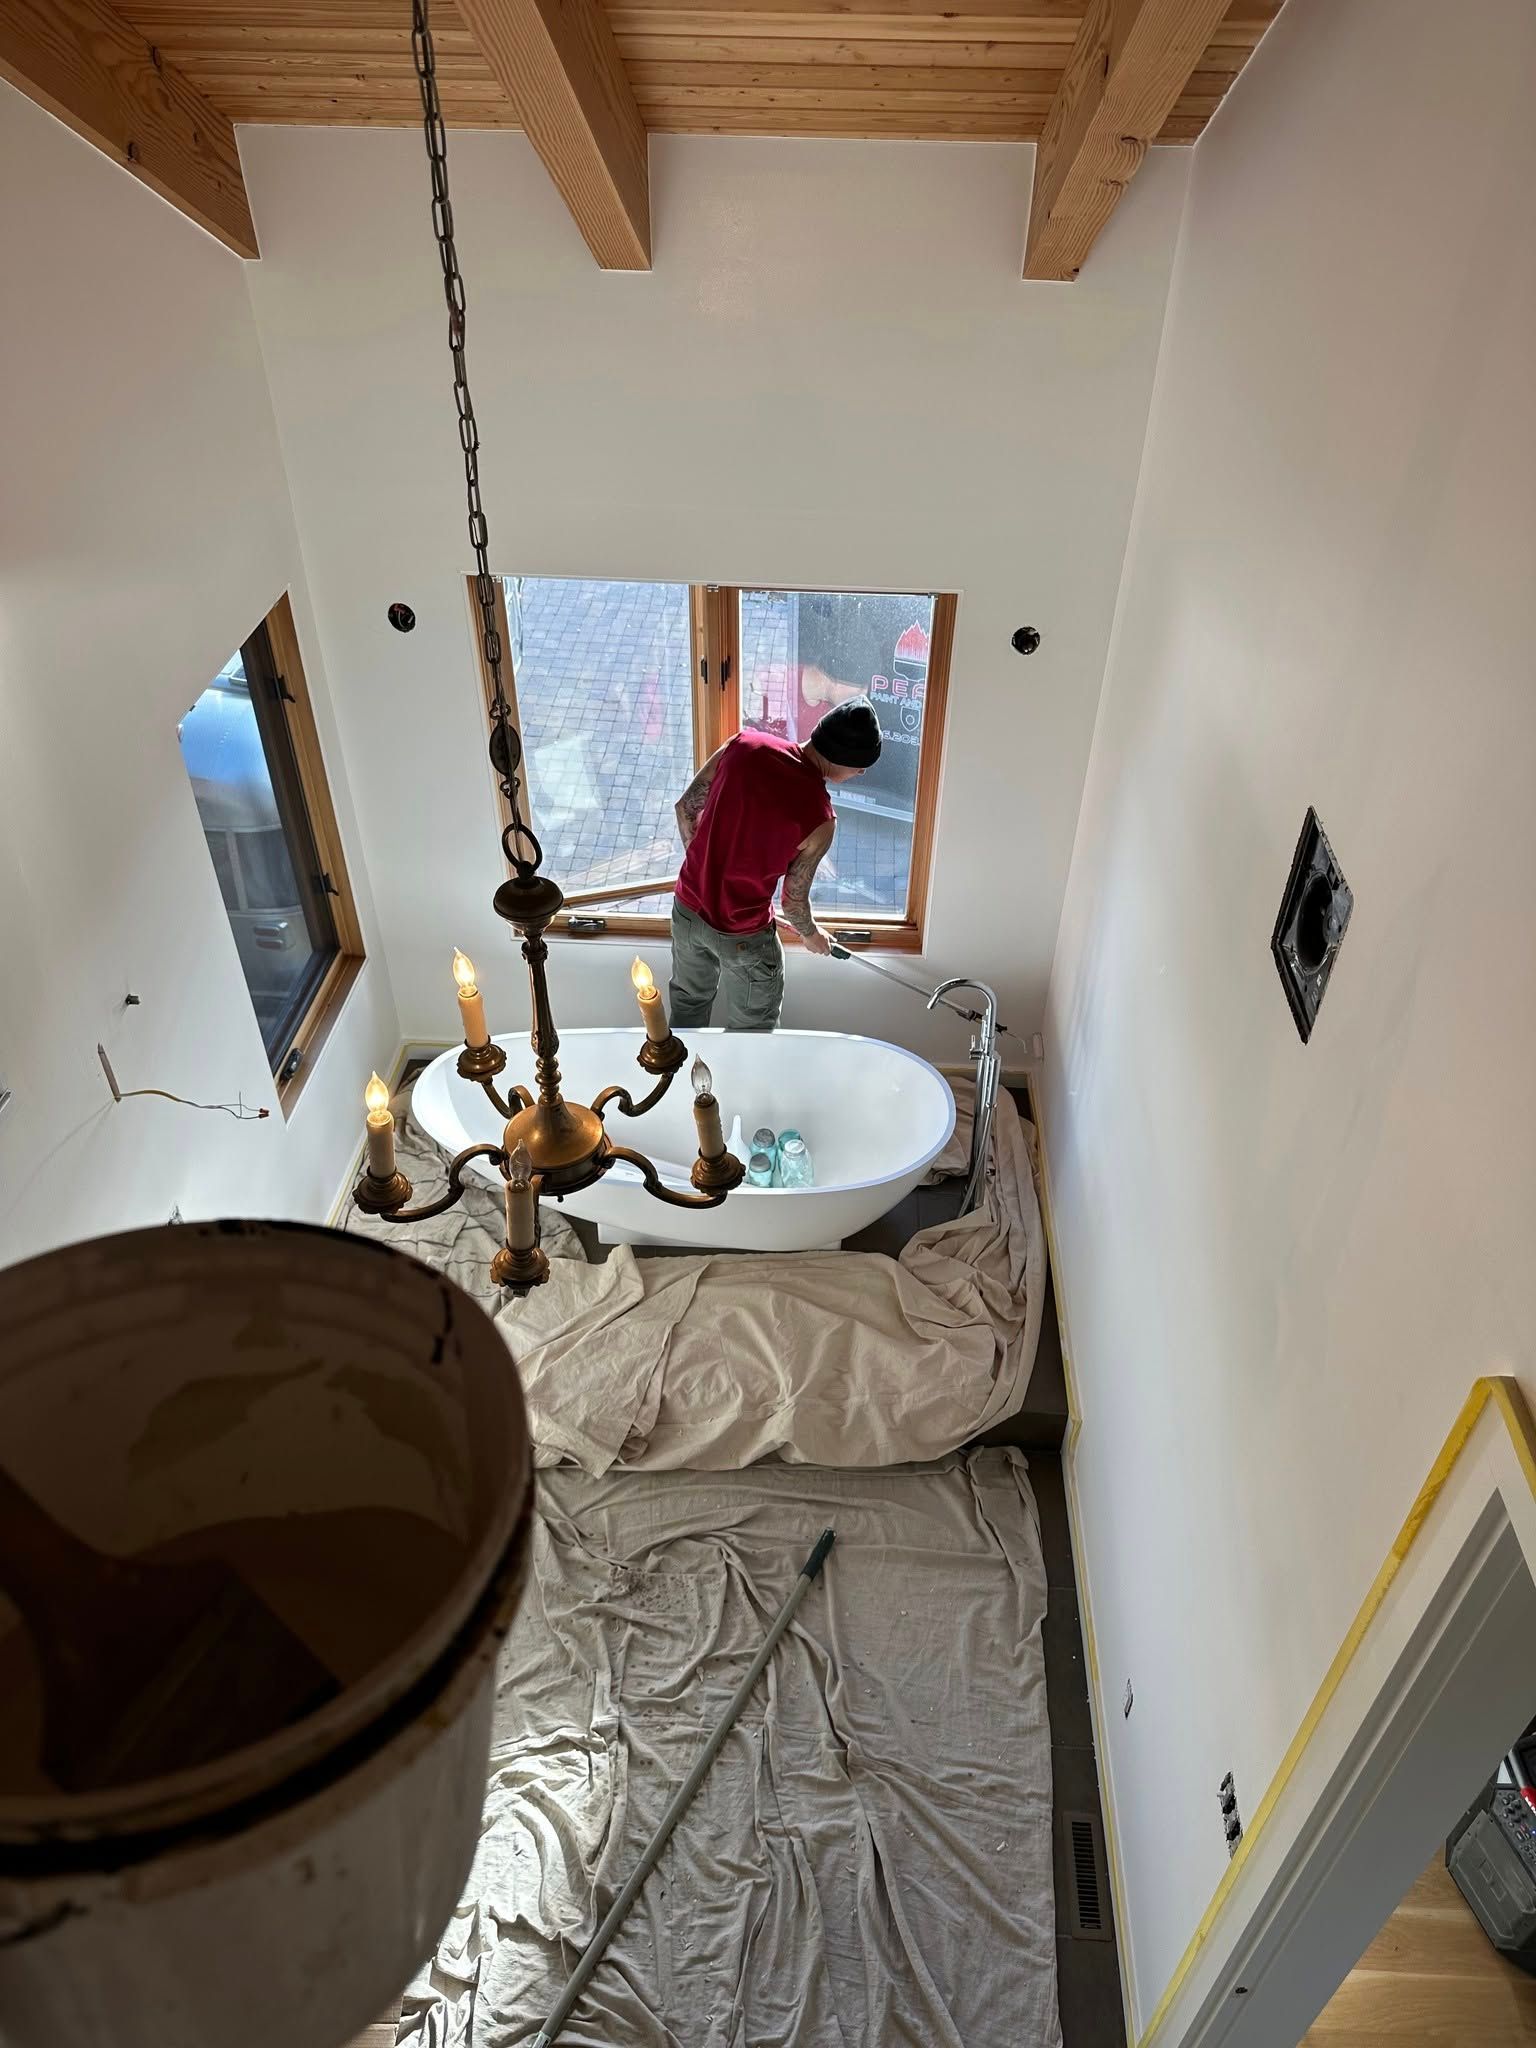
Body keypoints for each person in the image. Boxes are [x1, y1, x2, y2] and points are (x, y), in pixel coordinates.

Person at [667, 700, 882, 1031]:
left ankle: (678, 1080)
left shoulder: (744, 745)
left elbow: (686, 807)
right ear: (845, 761)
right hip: (743, 935)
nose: (861, 774)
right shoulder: (820, 819)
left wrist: (703, 864)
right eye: (860, 767)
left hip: (687, 912)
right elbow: (792, 902)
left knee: (687, 1008)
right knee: (754, 1033)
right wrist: (811, 935)